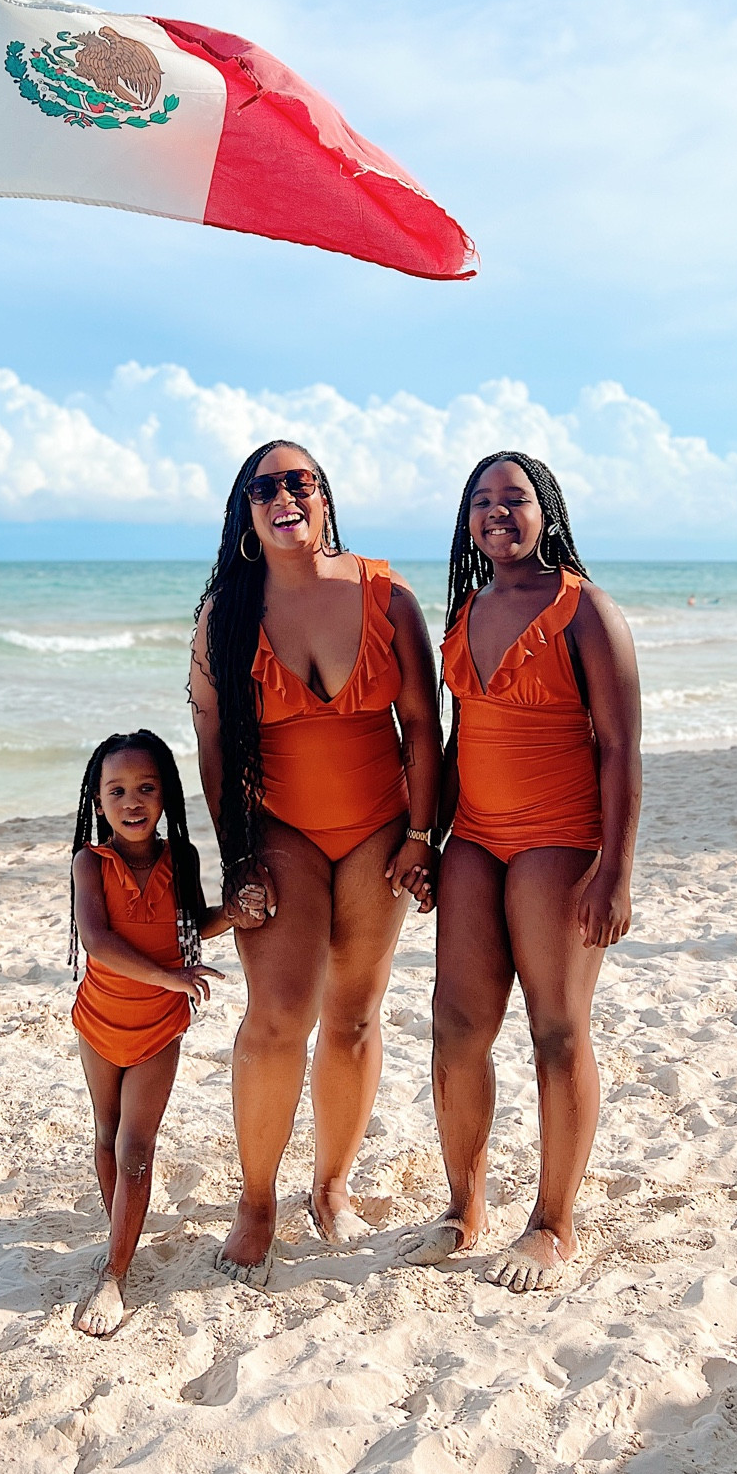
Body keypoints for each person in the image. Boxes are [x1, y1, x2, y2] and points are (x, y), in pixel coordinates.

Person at [189, 441, 441, 1285]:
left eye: (300, 482)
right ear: (246, 514)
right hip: (280, 832)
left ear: (324, 499)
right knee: (278, 1016)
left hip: (379, 831)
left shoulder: (387, 595)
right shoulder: (225, 614)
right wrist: (237, 858)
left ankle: (330, 1186)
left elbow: (421, 725)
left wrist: (420, 836)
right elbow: (213, 745)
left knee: (357, 1015)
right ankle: (257, 1198)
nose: (283, 497)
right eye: (264, 489)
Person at [401, 452, 641, 1292]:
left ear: (548, 512)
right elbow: (465, 738)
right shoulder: (465, 610)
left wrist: (615, 869)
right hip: (474, 837)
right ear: (466, 520)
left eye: (514, 499)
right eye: (481, 502)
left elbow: (620, 749)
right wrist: (429, 837)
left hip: (560, 839)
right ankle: (464, 1208)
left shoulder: (587, 611)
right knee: (457, 1027)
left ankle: (553, 1223)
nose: (496, 513)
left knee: (556, 1031)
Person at [69, 729, 245, 1335]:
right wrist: (169, 976)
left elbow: (192, 925)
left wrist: (234, 914)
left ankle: (114, 1275)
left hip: (158, 1027)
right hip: (99, 1018)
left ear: (167, 794)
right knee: (106, 1133)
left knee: (136, 1150)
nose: (132, 800)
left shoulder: (181, 859)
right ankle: (120, 1229)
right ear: (97, 800)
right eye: (116, 790)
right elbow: (98, 942)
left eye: (147, 787)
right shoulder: (88, 863)